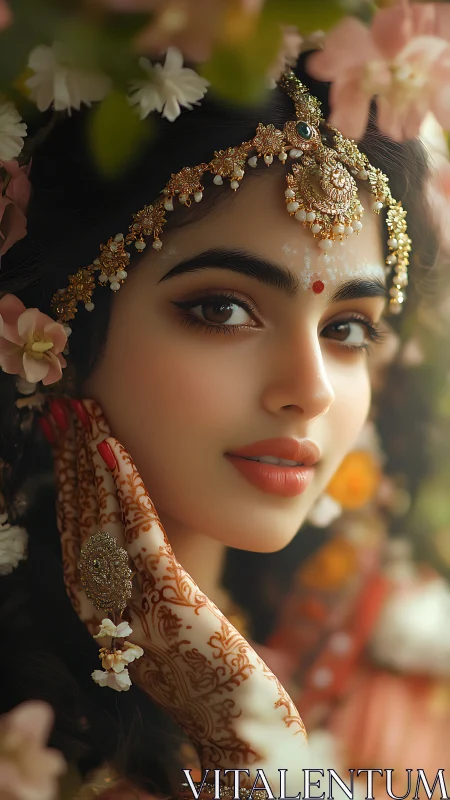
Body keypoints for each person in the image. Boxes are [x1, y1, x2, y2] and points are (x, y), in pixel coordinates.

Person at [0, 51, 437, 800]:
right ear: (57, 336)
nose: (311, 392)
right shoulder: (25, 748)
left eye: (349, 330)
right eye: (222, 310)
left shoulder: (396, 677)